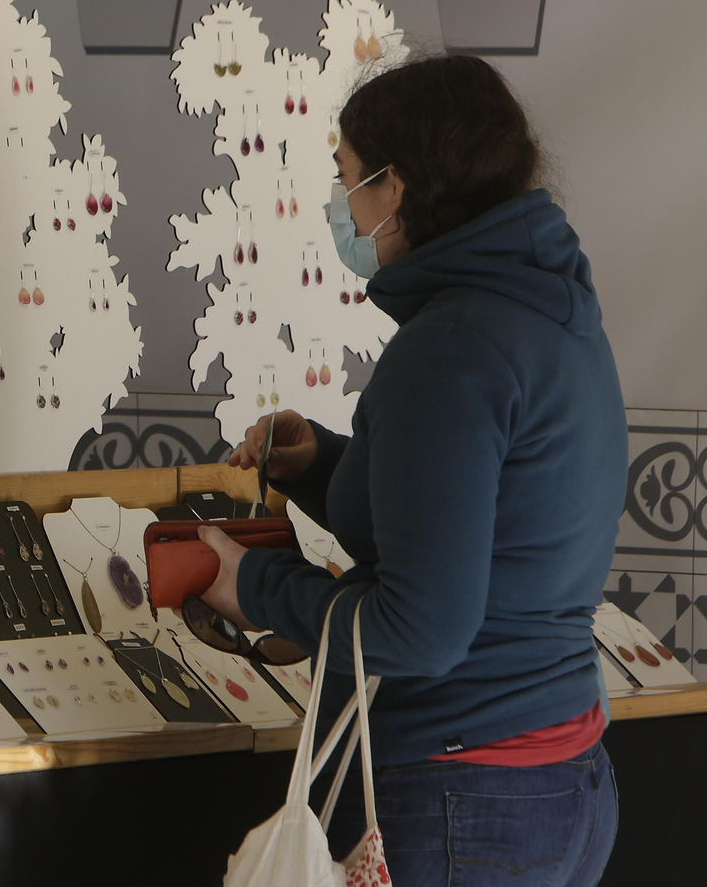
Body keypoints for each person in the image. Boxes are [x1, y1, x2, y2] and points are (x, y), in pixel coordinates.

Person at [198, 54, 624, 886]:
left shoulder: (452, 347)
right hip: (565, 783)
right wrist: (323, 466)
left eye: (346, 177)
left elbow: (420, 630)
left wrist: (252, 584)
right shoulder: (551, 311)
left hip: (464, 794)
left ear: (394, 187)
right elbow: (466, 520)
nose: (342, 204)